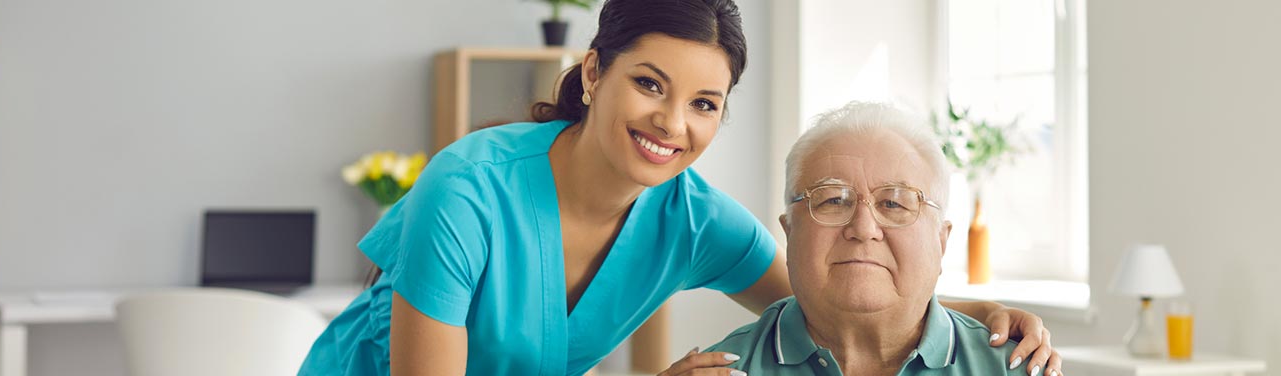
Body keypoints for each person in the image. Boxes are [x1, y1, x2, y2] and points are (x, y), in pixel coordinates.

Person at [298, 1, 1060, 375]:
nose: (672, 123)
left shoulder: (694, 221)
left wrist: (983, 315)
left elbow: (826, 287)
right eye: (650, 85)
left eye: (705, 104)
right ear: (594, 72)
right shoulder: (465, 192)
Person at [659, 102, 1060, 376]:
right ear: (789, 232)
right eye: (833, 200)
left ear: (942, 242)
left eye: (896, 204)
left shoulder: (1014, 367)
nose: (864, 227)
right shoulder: (726, 369)